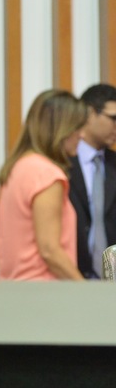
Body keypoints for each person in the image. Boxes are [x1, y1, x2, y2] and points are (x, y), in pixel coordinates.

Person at [0, 89, 87, 281]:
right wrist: (85, 290)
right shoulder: (46, 174)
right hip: (45, 290)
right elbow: (49, 250)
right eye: (77, 127)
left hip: (15, 289)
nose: (82, 135)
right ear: (61, 130)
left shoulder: (16, 168)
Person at [68, 84, 116, 279]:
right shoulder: (61, 164)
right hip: (67, 279)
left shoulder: (114, 164)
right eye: (113, 118)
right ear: (89, 114)